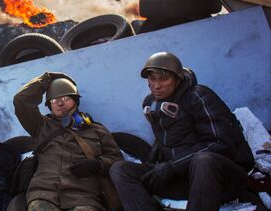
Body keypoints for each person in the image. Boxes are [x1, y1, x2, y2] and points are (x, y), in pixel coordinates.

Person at [109, 52, 255, 211]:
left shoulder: (198, 96)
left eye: (164, 79)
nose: (156, 86)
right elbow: (169, 137)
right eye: (152, 79)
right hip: (183, 180)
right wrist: (156, 160)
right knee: (120, 169)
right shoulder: (151, 103)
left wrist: (172, 167)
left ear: (178, 79)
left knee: (204, 160)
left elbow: (221, 144)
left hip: (221, 179)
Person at [13, 72, 123, 211]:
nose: (59, 103)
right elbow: (20, 100)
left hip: (84, 197)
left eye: (65, 98)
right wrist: (46, 79)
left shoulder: (97, 130)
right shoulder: (41, 126)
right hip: (43, 194)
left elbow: (117, 159)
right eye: (53, 100)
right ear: (49, 106)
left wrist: (98, 164)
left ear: (75, 101)